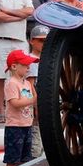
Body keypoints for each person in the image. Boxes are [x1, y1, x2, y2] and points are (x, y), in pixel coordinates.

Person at [3, 49, 38, 166]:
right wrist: (33, 100)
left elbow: (34, 98)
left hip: (27, 125)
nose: (28, 68)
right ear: (14, 66)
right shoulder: (11, 83)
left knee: (25, 158)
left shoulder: (27, 83)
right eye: (25, 65)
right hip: (14, 127)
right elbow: (15, 103)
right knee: (13, 159)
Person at [27, 25, 47, 158]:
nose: (43, 44)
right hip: (36, 99)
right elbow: (31, 84)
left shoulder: (49, 59)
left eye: (46, 41)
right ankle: (35, 152)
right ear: (31, 41)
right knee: (36, 126)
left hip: (49, 98)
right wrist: (35, 104)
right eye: (40, 40)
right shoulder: (30, 60)